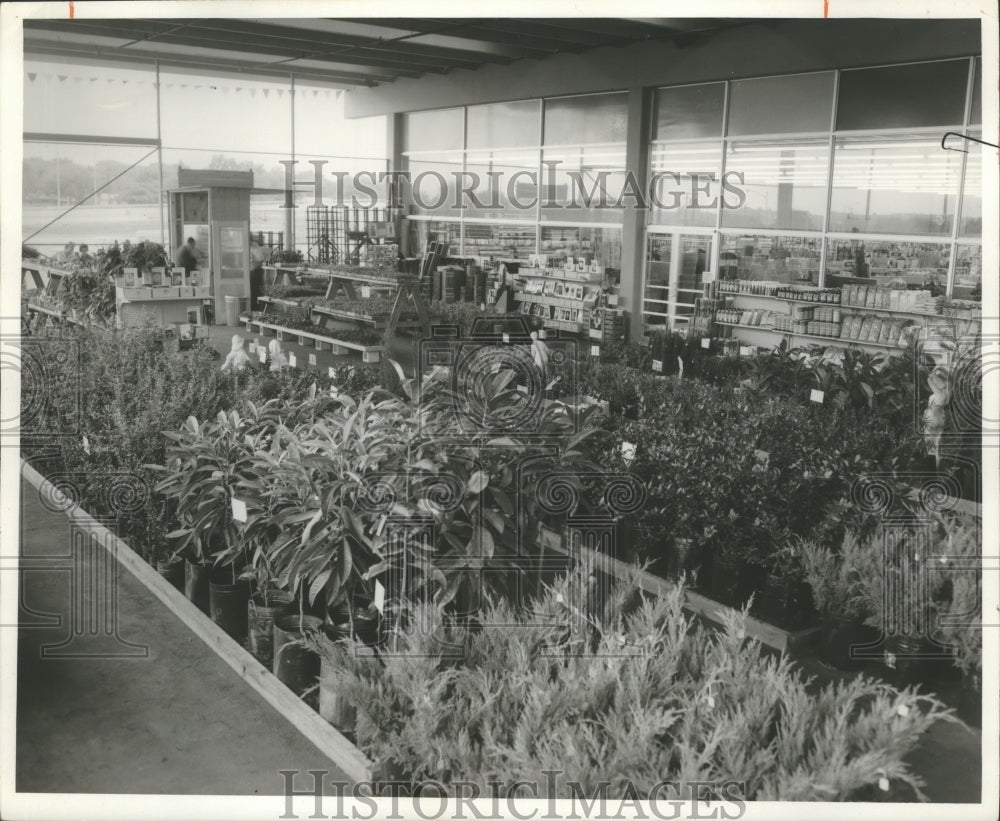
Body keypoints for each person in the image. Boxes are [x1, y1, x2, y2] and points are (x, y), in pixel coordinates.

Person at [249, 235, 267, 311]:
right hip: (250, 271)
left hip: (256, 272)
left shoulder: (255, 247)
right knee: (251, 292)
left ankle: (257, 310)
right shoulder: (247, 246)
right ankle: (252, 308)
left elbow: (259, 261)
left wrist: (251, 269)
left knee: (255, 292)